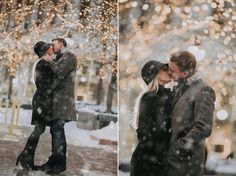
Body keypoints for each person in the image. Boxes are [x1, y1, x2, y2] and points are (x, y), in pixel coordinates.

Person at [166, 51, 216, 176]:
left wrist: (181, 147)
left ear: (185, 73)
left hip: (186, 163)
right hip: (172, 161)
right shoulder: (179, 87)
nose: (169, 72)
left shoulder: (204, 90)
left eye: (173, 70)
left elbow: (203, 127)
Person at [40, 37, 77, 174]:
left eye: (54, 44)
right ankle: (54, 161)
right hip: (57, 103)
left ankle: (59, 164)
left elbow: (60, 72)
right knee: (55, 132)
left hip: (63, 103)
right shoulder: (61, 57)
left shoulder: (69, 56)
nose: (51, 46)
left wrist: (49, 61)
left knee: (58, 132)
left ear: (61, 44)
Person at [16, 41, 55, 170]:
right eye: (49, 48)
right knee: (39, 129)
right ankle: (25, 158)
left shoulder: (42, 63)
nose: (52, 49)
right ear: (45, 52)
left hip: (41, 100)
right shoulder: (44, 64)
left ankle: (25, 158)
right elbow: (47, 84)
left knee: (39, 129)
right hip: (42, 101)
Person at [130, 60, 172, 176]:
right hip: (148, 163)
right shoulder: (150, 97)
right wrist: (158, 153)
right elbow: (143, 132)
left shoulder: (168, 95)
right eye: (164, 69)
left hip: (158, 160)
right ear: (155, 74)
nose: (168, 71)